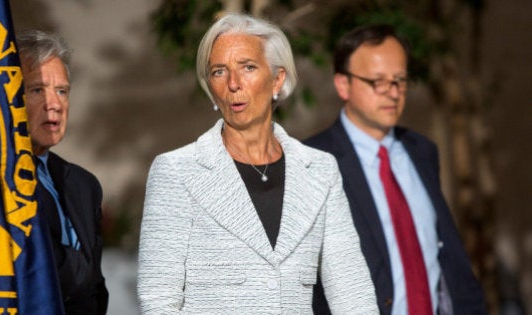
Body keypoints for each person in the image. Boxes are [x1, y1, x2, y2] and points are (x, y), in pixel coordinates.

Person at [137, 13, 377, 314]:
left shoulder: (320, 170)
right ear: (210, 86)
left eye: (248, 67)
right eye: (219, 72)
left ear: (277, 79)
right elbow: (159, 298)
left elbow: (352, 293)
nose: (234, 84)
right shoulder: (177, 171)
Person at [304, 24, 486, 314]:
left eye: (400, 80)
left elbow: (446, 255)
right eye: (378, 81)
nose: (393, 93)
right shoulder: (311, 162)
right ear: (343, 85)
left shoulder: (422, 151)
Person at [17, 30, 108, 314]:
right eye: (37, 90)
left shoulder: (84, 183)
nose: (54, 104)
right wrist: (79, 269)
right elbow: (43, 269)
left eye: (62, 91)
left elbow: (94, 284)